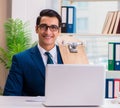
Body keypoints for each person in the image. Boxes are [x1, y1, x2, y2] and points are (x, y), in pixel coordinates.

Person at [3, 9, 63, 96]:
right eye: (43, 26)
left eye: (53, 27)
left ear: (59, 31)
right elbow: (10, 96)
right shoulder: (21, 59)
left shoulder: (68, 57)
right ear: (36, 29)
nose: (48, 32)